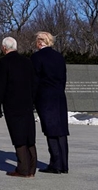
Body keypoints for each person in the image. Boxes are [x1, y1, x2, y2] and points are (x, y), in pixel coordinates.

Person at [0, 37, 37, 178]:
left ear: (4, 48)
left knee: (18, 135)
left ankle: (23, 169)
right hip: (27, 103)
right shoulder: (27, 61)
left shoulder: (3, 62)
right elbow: (33, 83)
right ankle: (31, 169)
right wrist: (33, 100)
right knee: (29, 134)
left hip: (12, 104)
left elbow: (1, 84)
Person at [31, 31, 69, 174]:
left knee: (50, 130)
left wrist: (32, 99)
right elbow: (63, 78)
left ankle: (55, 164)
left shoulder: (36, 57)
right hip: (59, 96)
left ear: (40, 42)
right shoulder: (59, 57)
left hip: (45, 97)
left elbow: (34, 80)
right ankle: (64, 164)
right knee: (61, 131)